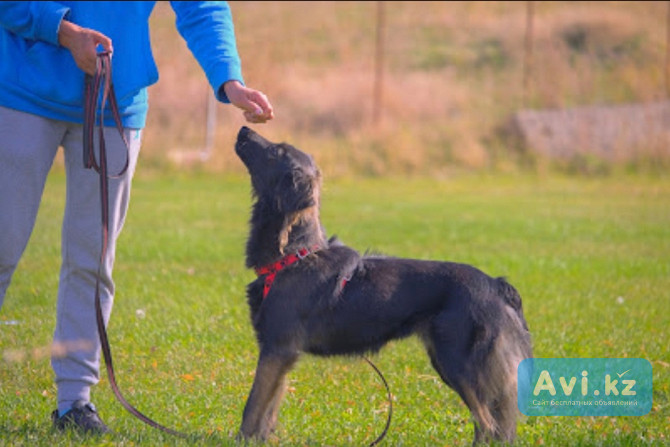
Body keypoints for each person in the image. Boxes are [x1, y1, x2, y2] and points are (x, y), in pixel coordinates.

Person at [0, 1, 273, 434]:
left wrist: (230, 80)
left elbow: (202, 7)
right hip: (20, 93)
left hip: (116, 100)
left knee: (93, 259)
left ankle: (75, 403)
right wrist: (63, 32)